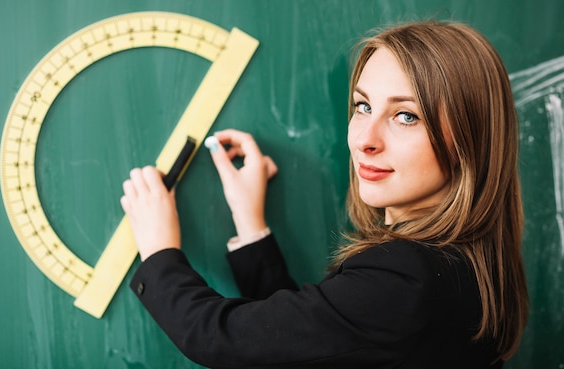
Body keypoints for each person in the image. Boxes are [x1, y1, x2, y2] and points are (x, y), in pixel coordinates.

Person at [120, 20, 528, 368]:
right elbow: (314, 344)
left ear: (468, 142)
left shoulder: (404, 277)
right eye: (362, 106)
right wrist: (250, 224)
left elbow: (221, 339)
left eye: (406, 116)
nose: (365, 140)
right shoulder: (466, 263)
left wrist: (160, 254)